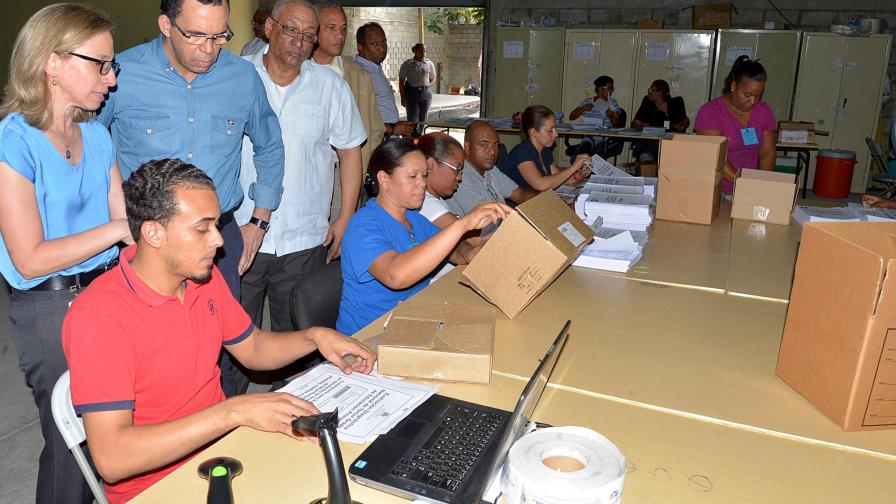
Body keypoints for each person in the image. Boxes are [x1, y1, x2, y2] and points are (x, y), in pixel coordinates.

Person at [61, 158, 376, 504]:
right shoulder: (99, 316)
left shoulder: (201, 278)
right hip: (157, 488)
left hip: (224, 453)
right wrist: (234, 411)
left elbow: (253, 347)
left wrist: (314, 337)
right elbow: (113, 459)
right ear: (153, 233)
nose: (219, 241)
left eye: (217, 225)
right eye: (202, 228)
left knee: (356, 476)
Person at [97, 0, 286, 396]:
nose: (209, 49)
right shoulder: (121, 74)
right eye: (196, 35)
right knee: (151, 353)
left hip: (218, 238)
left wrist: (260, 220)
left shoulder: (241, 77)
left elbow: (270, 146)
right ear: (165, 25)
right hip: (142, 239)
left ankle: (226, 434)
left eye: (220, 36)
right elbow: (89, 149)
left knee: (222, 349)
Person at [0, 5, 131, 502]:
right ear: (52, 62)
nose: (111, 78)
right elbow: (30, 258)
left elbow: (127, 233)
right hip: (49, 308)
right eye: (100, 64)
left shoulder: (97, 136)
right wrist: (118, 228)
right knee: (70, 447)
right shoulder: (14, 139)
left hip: (108, 294)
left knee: (114, 435)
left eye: (111, 65)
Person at [235, 0, 365, 364]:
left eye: (309, 35)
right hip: (242, 231)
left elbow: (350, 151)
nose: (299, 42)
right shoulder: (235, 76)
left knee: (300, 341)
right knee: (235, 343)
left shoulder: (330, 87)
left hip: (306, 237)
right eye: (291, 30)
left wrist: (345, 217)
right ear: (269, 28)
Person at [337, 140, 510, 335]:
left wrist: (474, 251)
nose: (422, 184)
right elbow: (395, 275)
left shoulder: (413, 218)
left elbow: (458, 254)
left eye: (424, 175)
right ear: (384, 179)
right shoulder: (363, 226)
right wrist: (462, 225)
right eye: (412, 176)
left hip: (411, 321)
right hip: (369, 335)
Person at [310, 2, 385, 219]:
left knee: (341, 237)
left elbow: (374, 129)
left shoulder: (358, 76)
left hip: (346, 176)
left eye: (343, 29)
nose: (339, 35)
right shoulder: (298, 70)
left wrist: (360, 175)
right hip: (307, 175)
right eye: (331, 28)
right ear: (314, 30)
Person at [694, 55, 776, 194]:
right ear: (733, 86)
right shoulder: (711, 112)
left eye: (758, 95)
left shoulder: (764, 111)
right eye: (747, 95)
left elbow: (767, 152)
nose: (752, 101)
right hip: (717, 189)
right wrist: (742, 183)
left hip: (750, 186)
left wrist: (761, 182)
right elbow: (716, 157)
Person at [445, 121, 538, 216]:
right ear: (467, 147)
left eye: (495, 145)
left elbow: (519, 194)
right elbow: (487, 217)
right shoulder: (460, 177)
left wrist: (546, 200)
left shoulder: (490, 169)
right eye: (484, 145)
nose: (492, 152)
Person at [502, 105, 592, 192]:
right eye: (550, 130)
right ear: (533, 132)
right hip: (519, 206)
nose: (556, 134)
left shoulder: (544, 151)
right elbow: (541, 184)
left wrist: (579, 174)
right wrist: (574, 167)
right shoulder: (522, 153)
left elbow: (559, 179)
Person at [354, 22, 415, 138]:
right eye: (374, 43)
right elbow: (359, 117)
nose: (382, 48)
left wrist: (397, 126)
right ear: (360, 47)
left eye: (383, 42)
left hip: (386, 138)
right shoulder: (360, 73)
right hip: (376, 142)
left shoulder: (375, 69)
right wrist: (392, 129)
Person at [631, 79, 690, 162]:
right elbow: (634, 123)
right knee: (647, 150)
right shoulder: (647, 102)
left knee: (660, 149)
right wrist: (639, 126)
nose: (649, 92)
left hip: (669, 140)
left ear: (661, 92)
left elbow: (684, 122)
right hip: (649, 139)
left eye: (652, 90)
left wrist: (683, 124)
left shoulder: (676, 103)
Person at [568, 75, 625, 158]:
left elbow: (617, 124)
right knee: (577, 157)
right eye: (609, 88)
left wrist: (611, 116)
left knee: (596, 159)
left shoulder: (612, 103)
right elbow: (571, 117)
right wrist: (583, 109)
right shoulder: (587, 101)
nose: (612, 91)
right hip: (588, 137)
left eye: (612, 88)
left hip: (604, 139)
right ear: (600, 88)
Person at [399, 43, 436, 136]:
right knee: (412, 117)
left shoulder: (429, 63)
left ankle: (421, 135)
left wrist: (427, 85)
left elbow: (433, 77)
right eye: (420, 51)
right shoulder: (408, 64)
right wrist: (402, 97)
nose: (422, 53)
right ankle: (412, 136)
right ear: (414, 51)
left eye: (424, 51)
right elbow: (401, 81)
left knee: (423, 117)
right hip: (412, 92)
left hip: (426, 93)